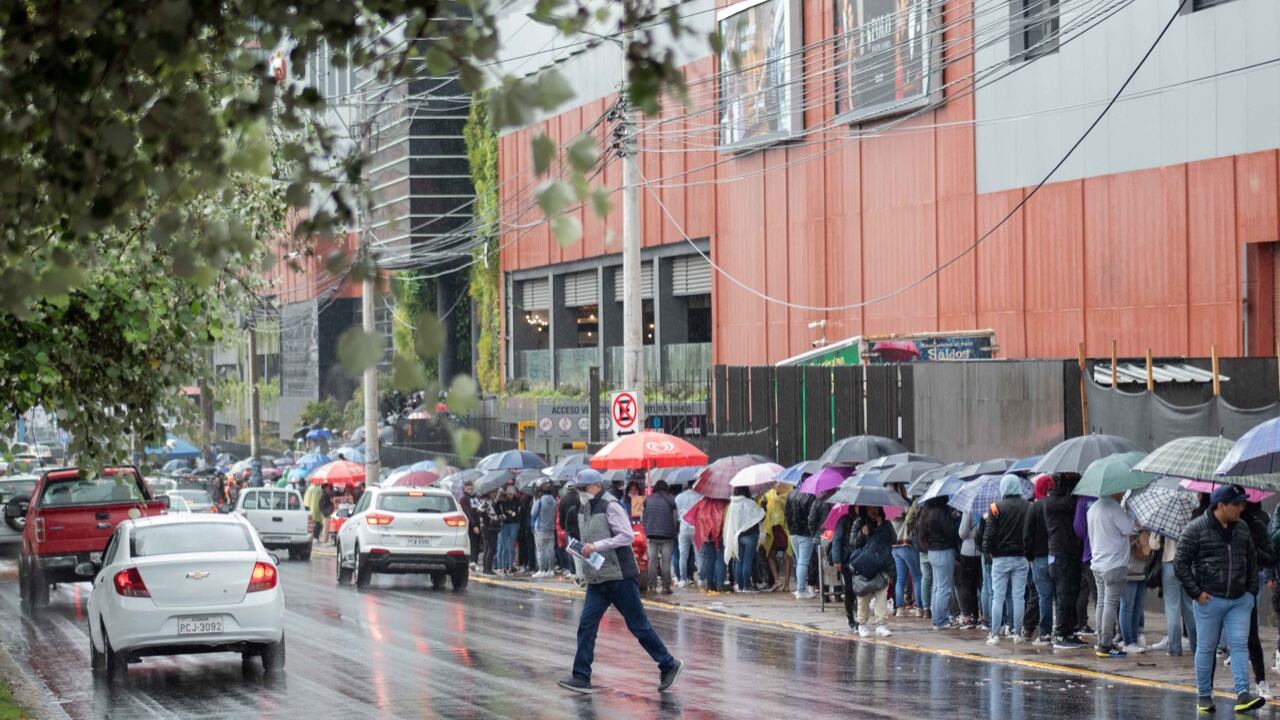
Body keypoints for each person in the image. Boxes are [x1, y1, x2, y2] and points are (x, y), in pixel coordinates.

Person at [558, 470, 683, 694]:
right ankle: (581, 676)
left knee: (639, 626)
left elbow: (626, 535)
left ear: (596, 486)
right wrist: (580, 548)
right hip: (598, 577)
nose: (580, 493)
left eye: (583, 488)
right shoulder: (583, 508)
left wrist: (596, 546)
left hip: (620, 577)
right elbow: (589, 537)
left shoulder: (610, 505)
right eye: (577, 490)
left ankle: (668, 664)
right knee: (586, 626)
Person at [1175, 484, 1265, 715]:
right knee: (1206, 647)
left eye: (1242, 503)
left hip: (1240, 600)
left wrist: (1250, 592)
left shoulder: (1242, 527)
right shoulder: (1195, 528)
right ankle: (1204, 696)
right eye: (1236, 504)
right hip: (1209, 600)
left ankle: (1243, 694)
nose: (1241, 508)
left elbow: (1252, 559)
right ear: (1221, 505)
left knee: (1239, 646)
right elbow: (1180, 563)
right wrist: (1197, 593)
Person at [1086, 488, 1137, 658]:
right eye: (1121, 490)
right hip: (1114, 564)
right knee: (1110, 604)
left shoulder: (1093, 508)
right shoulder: (1114, 508)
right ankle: (1106, 645)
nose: (1122, 493)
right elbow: (1128, 528)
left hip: (1097, 563)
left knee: (1101, 603)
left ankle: (1102, 640)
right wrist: (1130, 511)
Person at [984, 475, 1032, 645]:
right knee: (1018, 597)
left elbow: (989, 534)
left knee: (998, 596)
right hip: (1021, 558)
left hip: (1000, 558)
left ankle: (995, 634)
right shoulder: (1028, 506)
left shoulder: (995, 507)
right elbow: (1030, 533)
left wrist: (989, 553)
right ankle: (1017, 633)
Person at [1044, 473, 1087, 649]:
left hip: (1070, 552)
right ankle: (1061, 634)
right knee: (1063, 595)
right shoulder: (1053, 501)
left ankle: (1069, 631)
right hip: (1061, 553)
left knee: (1072, 595)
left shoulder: (1062, 500)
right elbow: (1069, 503)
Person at [840, 506, 896, 638]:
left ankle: (881, 624)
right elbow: (853, 544)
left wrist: (881, 527)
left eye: (876, 508)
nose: (873, 511)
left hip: (882, 565)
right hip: (864, 566)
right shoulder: (859, 523)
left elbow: (893, 540)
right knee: (863, 597)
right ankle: (862, 624)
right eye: (870, 508)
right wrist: (862, 534)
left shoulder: (886, 524)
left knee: (882, 596)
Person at [1242, 499, 1276, 699]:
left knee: (1251, 637)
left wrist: (1252, 551)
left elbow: (1270, 556)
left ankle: (1260, 681)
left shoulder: (1255, 525)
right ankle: (1206, 689)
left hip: (1246, 589)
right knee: (1210, 643)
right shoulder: (1209, 524)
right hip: (1216, 592)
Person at [1150, 527, 1197, 657]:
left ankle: (1175, 648)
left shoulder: (1163, 520)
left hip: (1169, 564)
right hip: (1188, 564)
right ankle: (1197, 646)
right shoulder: (1190, 520)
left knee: (1172, 608)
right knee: (1190, 607)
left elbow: (1153, 544)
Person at [918, 496, 960, 630]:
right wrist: (955, 519)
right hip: (943, 551)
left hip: (932, 552)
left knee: (937, 587)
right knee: (944, 588)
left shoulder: (928, 512)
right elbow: (950, 531)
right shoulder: (941, 513)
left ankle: (937, 619)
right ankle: (941, 620)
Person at [1023, 474, 1055, 645]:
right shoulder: (1056, 504)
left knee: (1044, 596)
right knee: (1059, 596)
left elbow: (1027, 535)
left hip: (1039, 557)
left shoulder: (1034, 507)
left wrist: (1029, 556)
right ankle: (1062, 631)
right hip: (1057, 555)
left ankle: (1045, 633)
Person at [890, 483, 924, 617]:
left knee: (900, 579)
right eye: (903, 487)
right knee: (917, 576)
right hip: (907, 544)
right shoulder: (903, 504)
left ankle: (899, 608)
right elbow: (910, 516)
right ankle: (920, 608)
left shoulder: (888, 505)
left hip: (895, 547)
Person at [724, 486, 765, 593]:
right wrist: (764, 505)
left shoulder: (732, 505)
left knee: (739, 561)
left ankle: (741, 586)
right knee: (748, 561)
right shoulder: (750, 503)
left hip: (737, 536)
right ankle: (747, 586)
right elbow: (761, 516)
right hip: (751, 536)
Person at [642, 480, 679, 594]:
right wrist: (675, 531)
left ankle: (652, 586)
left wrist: (646, 528)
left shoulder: (648, 500)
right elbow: (675, 518)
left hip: (651, 534)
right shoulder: (671, 499)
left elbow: (643, 517)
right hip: (667, 535)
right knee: (666, 561)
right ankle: (665, 586)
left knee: (652, 561)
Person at [784, 484, 819, 599]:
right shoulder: (810, 496)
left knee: (799, 561)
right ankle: (801, 590)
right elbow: (812, 516)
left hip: (793, 532)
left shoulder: (790, 494)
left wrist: (790, 528)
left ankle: (801, 588)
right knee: (803, 562)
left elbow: (786, 514)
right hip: (805, 533)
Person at [689, 495, 728, 594]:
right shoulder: (723, 502)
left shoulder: (703, 503)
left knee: (710, 559)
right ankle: (720, 583)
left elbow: (697, 518)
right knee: (720, 559)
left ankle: (710, 584)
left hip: (707, 535)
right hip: (720, 534)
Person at [759, 483, 792, 592]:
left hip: (773, 529)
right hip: (784, 529)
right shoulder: (789, 494)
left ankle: (777, 580)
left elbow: (763, 511)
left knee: (771, 555)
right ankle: (786, 585)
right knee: (787, 556)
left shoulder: (768, 495)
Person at [956, 509, 983, 629]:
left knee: (966, 585)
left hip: (968, 550)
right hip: (982, 552)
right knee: (979, 584)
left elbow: (962, 533)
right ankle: (978, 614)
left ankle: (968, 616)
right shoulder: (988, 507)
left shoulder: (969, 509)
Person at [675, 483, 703, 588]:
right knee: (699, 555)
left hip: (683, 529)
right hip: (697, 529)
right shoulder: (700, 497)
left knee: (683, 555)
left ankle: (683, 579)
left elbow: (677, 513)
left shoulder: (679, 497)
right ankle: (701, 579)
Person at [531, 484, 558, 579]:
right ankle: (551, 570)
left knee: (540, 550)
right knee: (550, 550)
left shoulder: (539, 501)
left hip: (541, 529)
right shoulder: (554, 501)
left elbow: (533, 514)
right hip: (551, 529)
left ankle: (542, 570)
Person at [560, 486, 585, 585]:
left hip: (574, 538)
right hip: (583, 537)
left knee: (577, 559)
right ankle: (582, 577)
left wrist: (571, 535)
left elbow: (566, 525)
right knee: (584, 559)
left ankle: (580, 577)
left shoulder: (571, 509)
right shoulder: (585, 511)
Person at [496, 486, 522, 575]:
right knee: (505, 547)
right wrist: (500, 515)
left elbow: (519, 512)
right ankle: (504, 566)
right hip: (505, 524)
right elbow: (496, 507)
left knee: (511, 547)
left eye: (511, 494)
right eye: (508, 494)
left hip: (514, 524)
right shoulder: (503, 500)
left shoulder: (517, 501)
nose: (510, 496)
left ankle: (510, 566)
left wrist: (515, 515)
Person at [479, 491, 502, 576]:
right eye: (494, 491)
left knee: (488, 548)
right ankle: (488, 568)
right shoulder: (486, 502)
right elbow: (481, 512)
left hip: (490, 527)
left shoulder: (492, 501)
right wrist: (491, 519)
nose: (496, 492)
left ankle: (486, 568)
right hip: (489, 528)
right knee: (491, 548)